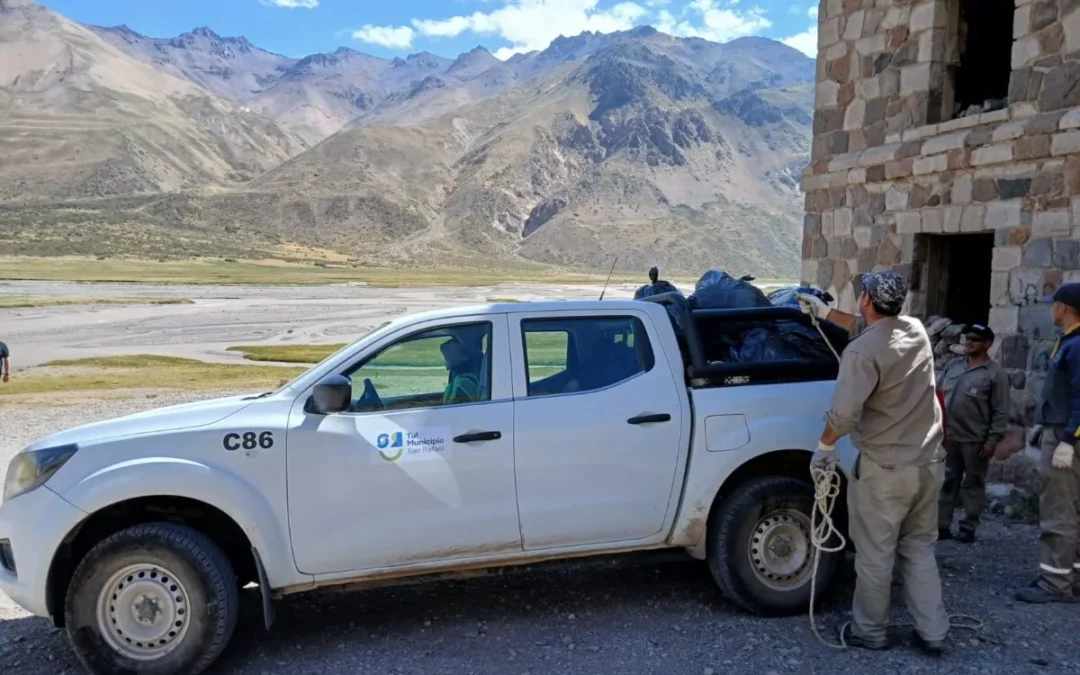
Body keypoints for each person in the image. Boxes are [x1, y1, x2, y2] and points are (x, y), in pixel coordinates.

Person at [798, 272, 949, 656]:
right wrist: (827, 313)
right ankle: (934, 632)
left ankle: (870, 631)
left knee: (876, 555)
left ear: (866, 298)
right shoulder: (916, 331)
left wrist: (824, 447)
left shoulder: (861, 353)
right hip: (929, 462)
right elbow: (873, 329)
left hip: (886, 469)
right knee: (918, 547)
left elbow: (844, 415)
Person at [1015, 282, 1080, 604]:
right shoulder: (1071, 342)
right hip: (1062, 430)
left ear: (1063, 308)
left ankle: (1054, 583)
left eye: (1053, 304)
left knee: (1059, 510)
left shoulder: (1077, 345)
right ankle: (1072, 575)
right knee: (1074, 510)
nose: (1051, 308)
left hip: (1068, 439)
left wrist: (1068, 438)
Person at [937, 324, 1009, 543]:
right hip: (948, 437)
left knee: (973, 484)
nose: (968, 342)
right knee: (946, 482)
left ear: (987, 344)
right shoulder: (953, 365)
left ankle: (968, 527)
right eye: (967, 338)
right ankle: (941, 526)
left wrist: (992, 440)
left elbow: (1000, 410)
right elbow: (938, 395)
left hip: (975, 440)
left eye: (975, 339)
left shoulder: (995, 374)